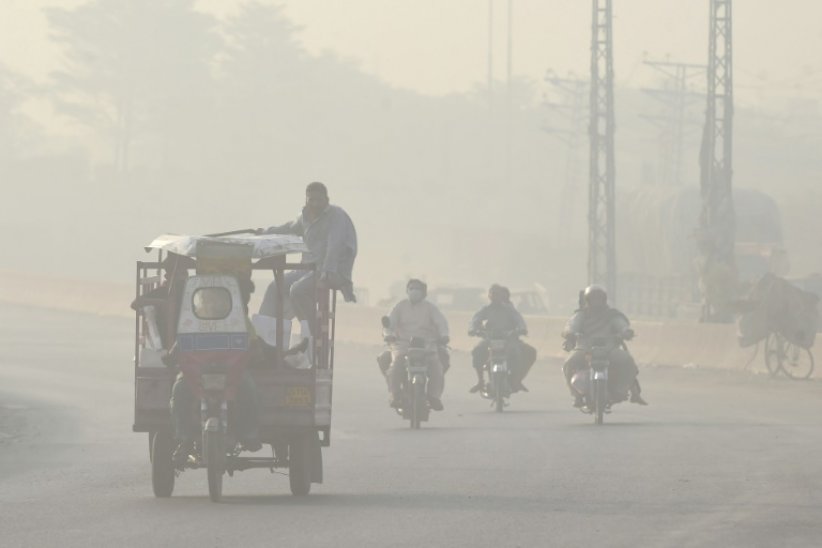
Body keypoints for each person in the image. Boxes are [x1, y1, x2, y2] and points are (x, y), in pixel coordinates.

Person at [257, 182, 358, 342]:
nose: (315, 204)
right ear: (306, 200)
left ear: (327, 199)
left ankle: (312, 334)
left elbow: (335, 244)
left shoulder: (336, 216)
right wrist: (264, 232)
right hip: (308, 268)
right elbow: (289, 228)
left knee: (298, 290)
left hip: (333, 270)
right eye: (311, 200)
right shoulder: (305, 217)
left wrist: (328, 270)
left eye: (319, 200)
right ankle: (263, 338)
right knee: (275, 286)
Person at [561, 285, 648, 408]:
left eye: (599, 299)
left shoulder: (612, 315)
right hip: (585, 348)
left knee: (627, 361)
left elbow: (621, 325)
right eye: (594, 299)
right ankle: (576, 395)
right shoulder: (581, 315)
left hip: (609, 349)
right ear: (588, 300)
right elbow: (572, 325)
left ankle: (620, 390)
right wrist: (570, 333)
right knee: (569, 363)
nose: (597, 302)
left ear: (604, 300)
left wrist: (626, 331)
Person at [385, 279, 449, 411]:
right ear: (407, 290)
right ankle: (395, 395)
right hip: (403, 345)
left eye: (418, 289)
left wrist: (444, 336)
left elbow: (441, 323)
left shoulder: (430, 308)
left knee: (437, 368)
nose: (414, 291)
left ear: (424, 293)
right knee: (396, 366)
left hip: (426, 345)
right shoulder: (399, 306)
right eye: (412, 288)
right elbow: (389, 324)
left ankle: (434, 397)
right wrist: (388, 335)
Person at [468, 284, 530, 393]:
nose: (495, 296)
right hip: (490, 339)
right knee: (477, 350)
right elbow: (475, 320)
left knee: (516, 353)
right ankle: (480, 381)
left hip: (508, 339)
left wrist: (521, 329)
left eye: (498, 294)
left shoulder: (509, 310)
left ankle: (515, 380)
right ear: (489, 296)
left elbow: (519, 320)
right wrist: (474, 330)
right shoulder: (486, 309)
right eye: (493, 294)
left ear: (502, 296)